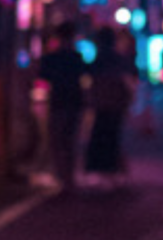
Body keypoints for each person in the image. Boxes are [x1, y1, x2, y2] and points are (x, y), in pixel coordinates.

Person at [84, 26, 137, 185]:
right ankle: (112, 170)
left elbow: (91, 80)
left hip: (103, 104)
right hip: (115, 105)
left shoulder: (99, 59)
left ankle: (103, 170)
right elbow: (127, 82)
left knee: (100, 137)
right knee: (111, 137)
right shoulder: (117, 59)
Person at [37, 19, 85, 191]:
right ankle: (68, 177)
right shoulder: (76, 57)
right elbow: (84, 76)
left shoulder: (51, 57)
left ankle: (62, 176)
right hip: (73, 102)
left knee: (58, 141)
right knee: (69, 141)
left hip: (58, 101)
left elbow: (42, 76)